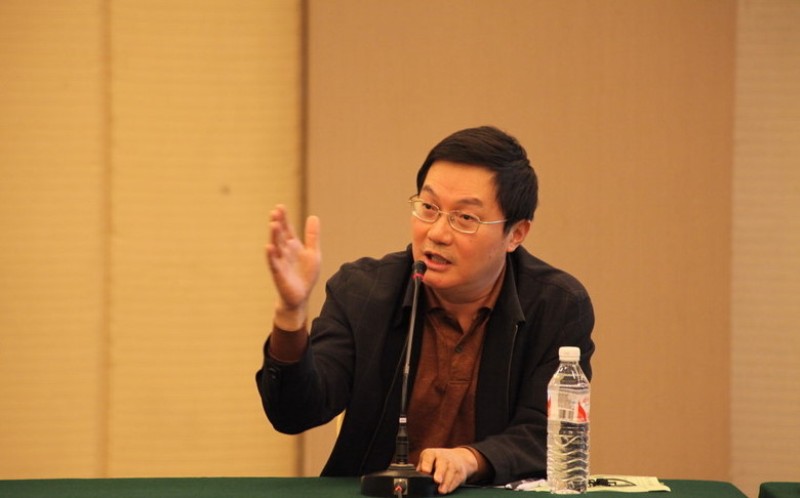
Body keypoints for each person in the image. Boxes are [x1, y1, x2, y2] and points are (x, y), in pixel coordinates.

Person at [256, 126, 595, 495]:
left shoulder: (557, 305)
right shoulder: (362, 292)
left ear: (516, 234)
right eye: (429, 208)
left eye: (465, 218)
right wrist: (291, 313)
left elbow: (549, 434)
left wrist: (471, 459)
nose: (437, 233)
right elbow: (294, 413)